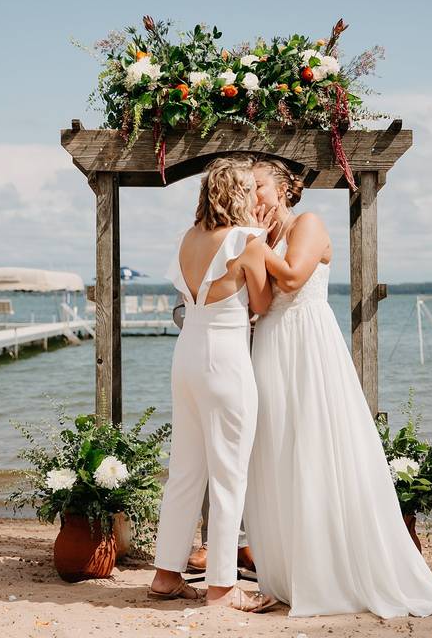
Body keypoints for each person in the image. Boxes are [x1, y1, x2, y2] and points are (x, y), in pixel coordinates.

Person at [243, 157, 432, 617]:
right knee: (275, 452)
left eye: (258, 186)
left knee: (313, 449)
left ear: (285, 189)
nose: (252, 196)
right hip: (270, 344)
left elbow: (292, 277)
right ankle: (284, 575)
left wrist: (252, 241)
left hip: (307, 343)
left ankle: (328, 574)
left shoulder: (307, 224)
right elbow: (262, 300)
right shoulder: (265, 238)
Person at [149, 157, 275, 612]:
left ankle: (166, 575)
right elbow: (260, 303)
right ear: (239, 195)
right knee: (229, 475)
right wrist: (259, 240)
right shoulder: (247, 241)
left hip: (186, 355)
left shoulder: (189, 238)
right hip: (224, 358)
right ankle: (222, 587)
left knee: (185, 472)